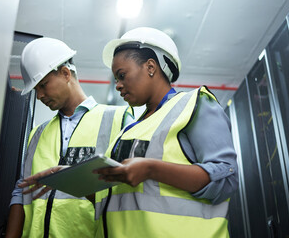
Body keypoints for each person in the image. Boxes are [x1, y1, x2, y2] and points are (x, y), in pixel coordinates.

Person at [20, 27, 238, 238]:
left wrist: (151, 169)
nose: (118, 85)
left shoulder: (193, 104)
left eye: (122, 75)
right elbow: (117, 198)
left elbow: (225, 177)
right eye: (116, 78)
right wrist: (69, 178)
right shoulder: (127, 132)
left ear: (151, 67)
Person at [6, 37, 132, 238]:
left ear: (66, 73)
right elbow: (21, 192)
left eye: (43, 85)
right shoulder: (37, 134)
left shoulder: (118, 119)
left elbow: (129, 191)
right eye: (36, 89)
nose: (39, 96)